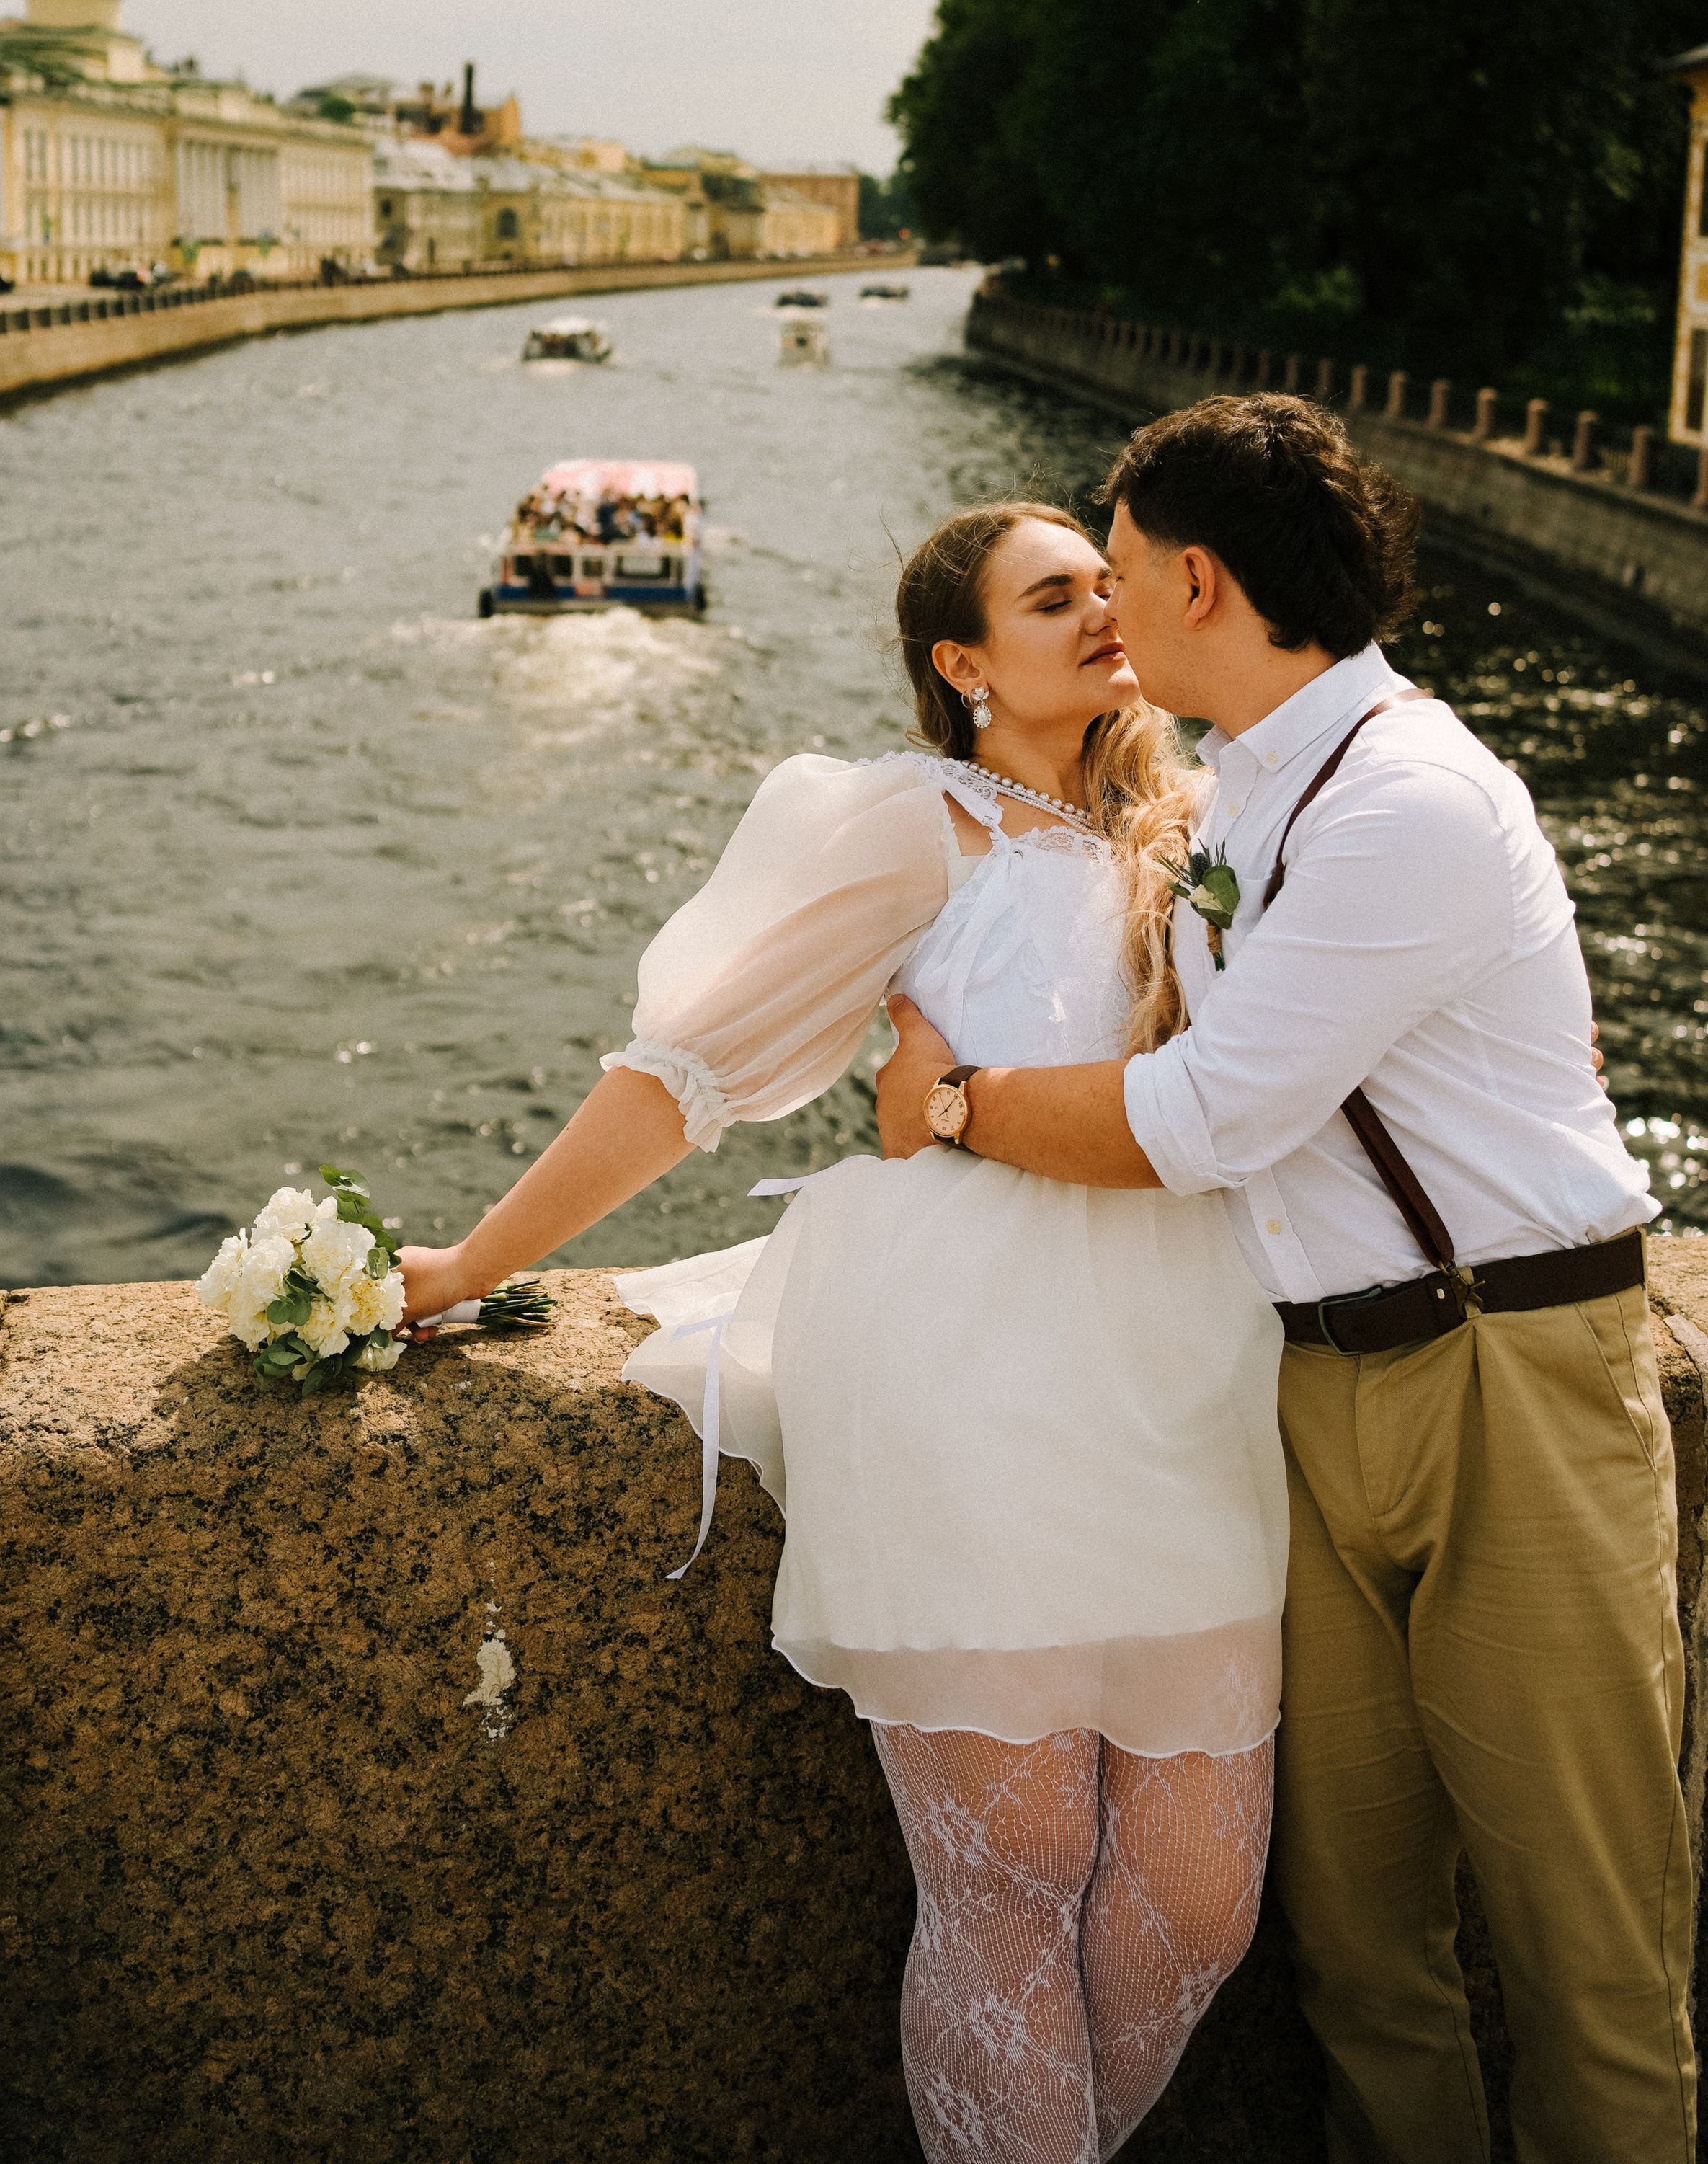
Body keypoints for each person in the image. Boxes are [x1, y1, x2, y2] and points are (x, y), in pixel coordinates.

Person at [401, 500, 1289, 2163]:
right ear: (961, 662)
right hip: (968, 1385)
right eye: (1050, 599)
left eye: (1108, 584)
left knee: (1194, 1903)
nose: (1101, 610)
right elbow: (686, 1077)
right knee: (1008, 1889)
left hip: (1194, 1394)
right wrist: (471, 1260)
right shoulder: (918, 828)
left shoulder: (1206, 809)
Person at [874, 399, 1692, 2164]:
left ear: (1193, 580)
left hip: (1509, 1380)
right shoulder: (1239, 776)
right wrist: (935, 986)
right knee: (1358, 1937)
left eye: (1114, 566)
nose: (1100, 604)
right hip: (1305, 1389)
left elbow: (1205, 1114)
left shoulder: (1409, 794)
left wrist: (945, 1101)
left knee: (1586, 1948)